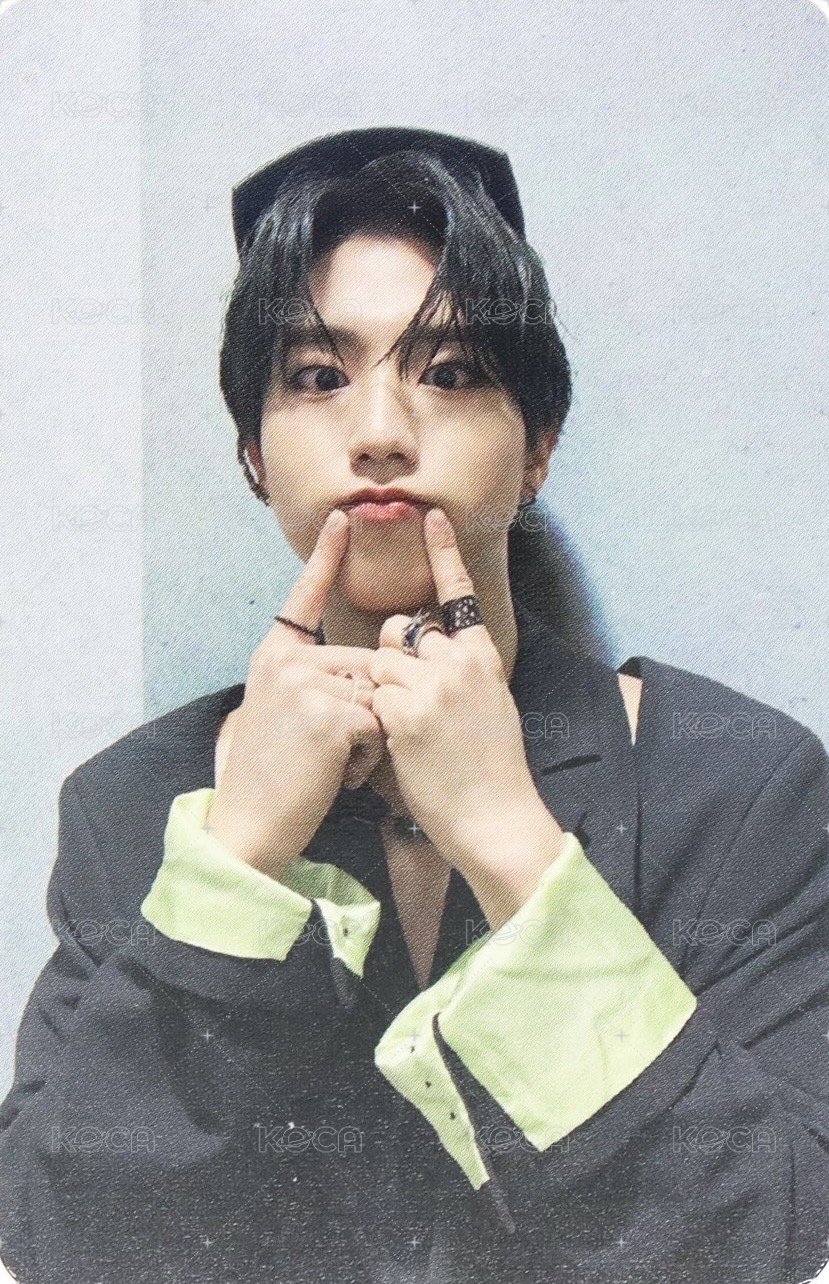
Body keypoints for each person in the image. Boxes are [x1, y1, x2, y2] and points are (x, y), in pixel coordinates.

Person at [1, 126, 827, 1284]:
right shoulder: (131, 801)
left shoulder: (734, 781)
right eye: (316, 377)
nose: (382, 432)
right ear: (252, 450)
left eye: (449, 372)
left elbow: (779, 1235)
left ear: (537, 446)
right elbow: (57, 1240)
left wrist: (512, 845)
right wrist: (236, 864)